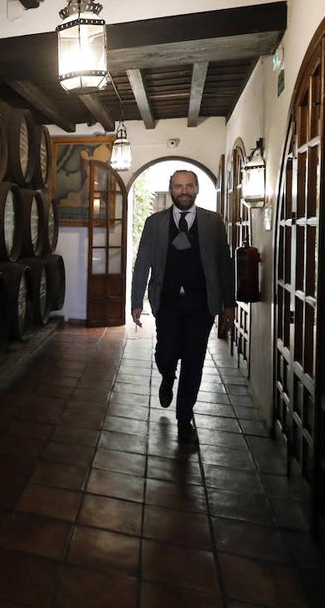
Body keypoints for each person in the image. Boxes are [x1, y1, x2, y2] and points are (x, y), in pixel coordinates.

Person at [130, 169, 235, 446]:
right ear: (171, 189)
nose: (184, 191)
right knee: (165, 352)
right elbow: (142, 263)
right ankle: (167, 376)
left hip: (202, 304)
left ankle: (184, 418)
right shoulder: (155, 223)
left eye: (189, 185)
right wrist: (136, 301)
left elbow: (224, 264)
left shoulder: (213, 222)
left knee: (194, 361)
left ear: (197, 188)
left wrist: (229, 303)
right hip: (166, 302)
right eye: (178, 186)